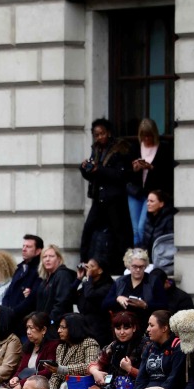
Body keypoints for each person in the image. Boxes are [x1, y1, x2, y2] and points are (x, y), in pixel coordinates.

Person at [78, 118, 134, 275]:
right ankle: (84, 263)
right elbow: (92, 175)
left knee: (120, 234)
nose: (99, 137)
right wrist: (85, 169)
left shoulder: (120, 150)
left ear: (108, 133)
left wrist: (98, 169)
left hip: (115, 199)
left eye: (101, 134)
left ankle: (127, 266)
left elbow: (121, 175)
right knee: (88, 230)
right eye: (96, 135)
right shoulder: (96, 150)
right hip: (99, 198)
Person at [128, 117, 175, 242]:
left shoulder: (163, 148)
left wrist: (151, 167)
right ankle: (137, 257)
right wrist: (135, 168)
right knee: (135, 229)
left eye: (149, 136)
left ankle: (145, 255)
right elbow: (126, 172)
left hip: (152, 193)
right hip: (136, 192)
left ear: (154, 134)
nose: (146, 139)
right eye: (144, 136)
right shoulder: (135, 147)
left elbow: (168, 173)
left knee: (142, 226)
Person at [87, 311, 142, 389]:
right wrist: (96, 372)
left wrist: (130, 369)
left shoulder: (145, 346)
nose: (121, 332)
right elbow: (94, 364)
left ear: (134, 328)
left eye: (126, 328)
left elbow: (149, 375)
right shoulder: (113, 346)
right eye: (118, 328)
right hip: (112, 386)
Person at [43, 313, 100, 389]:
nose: (59, 330)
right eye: (59, 327)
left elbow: (89, 366)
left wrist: (62, 369)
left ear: (74, 328)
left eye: (63, 327)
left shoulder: (89, 343)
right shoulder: (61, 347)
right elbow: (56, 375)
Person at [134, 311, 187, 389]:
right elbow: (141, 378)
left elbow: (173, 379)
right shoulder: (149, 348)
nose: (148, 329)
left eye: (151, 325)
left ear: (164, 328)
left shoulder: (177, 347)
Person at [75, 257, 114, 347]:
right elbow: (70, 296)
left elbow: (90, 295)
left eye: (91, 266)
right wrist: (78, 279)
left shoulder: (107, 286)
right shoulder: (88, 284)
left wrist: (88, 278)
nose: (88, 269)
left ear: (100, 270)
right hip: (84, 324)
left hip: (98, 328)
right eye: (87, 266)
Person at [137, 190, 177, 275]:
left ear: (161, 204)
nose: (148, 203)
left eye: (152, 201)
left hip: (164, 264)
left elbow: (169, 246)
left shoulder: (169, 219)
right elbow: (144, 244)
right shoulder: (148, 218)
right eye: (147, 201)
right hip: (149, 262)